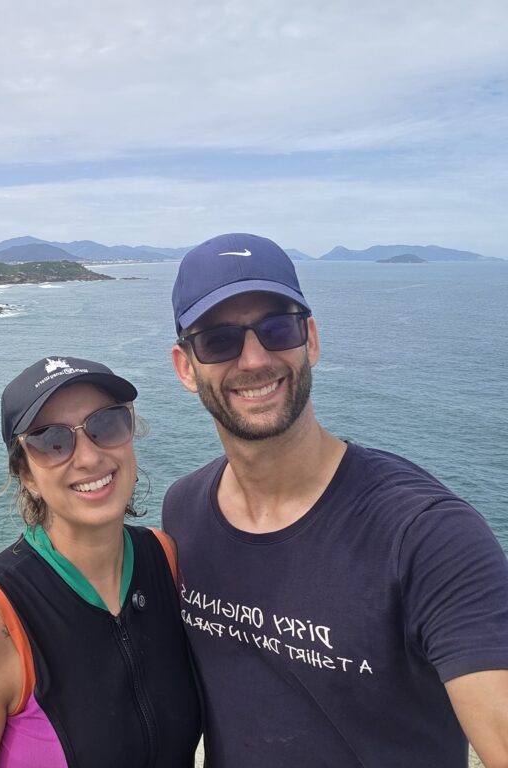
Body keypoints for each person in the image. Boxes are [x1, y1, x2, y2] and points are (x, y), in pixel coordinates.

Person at [161, 232, 508, 767]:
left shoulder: (427, 535)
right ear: (186, 367)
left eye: (277, 329)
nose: (253, 359)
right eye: (219, 340)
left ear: (311, 341)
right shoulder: (184, 511)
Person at [0, 356, 201, 768]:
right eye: (51, 440)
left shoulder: (164, 558)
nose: (88, 457)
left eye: (106, 424)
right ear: (26, 474)